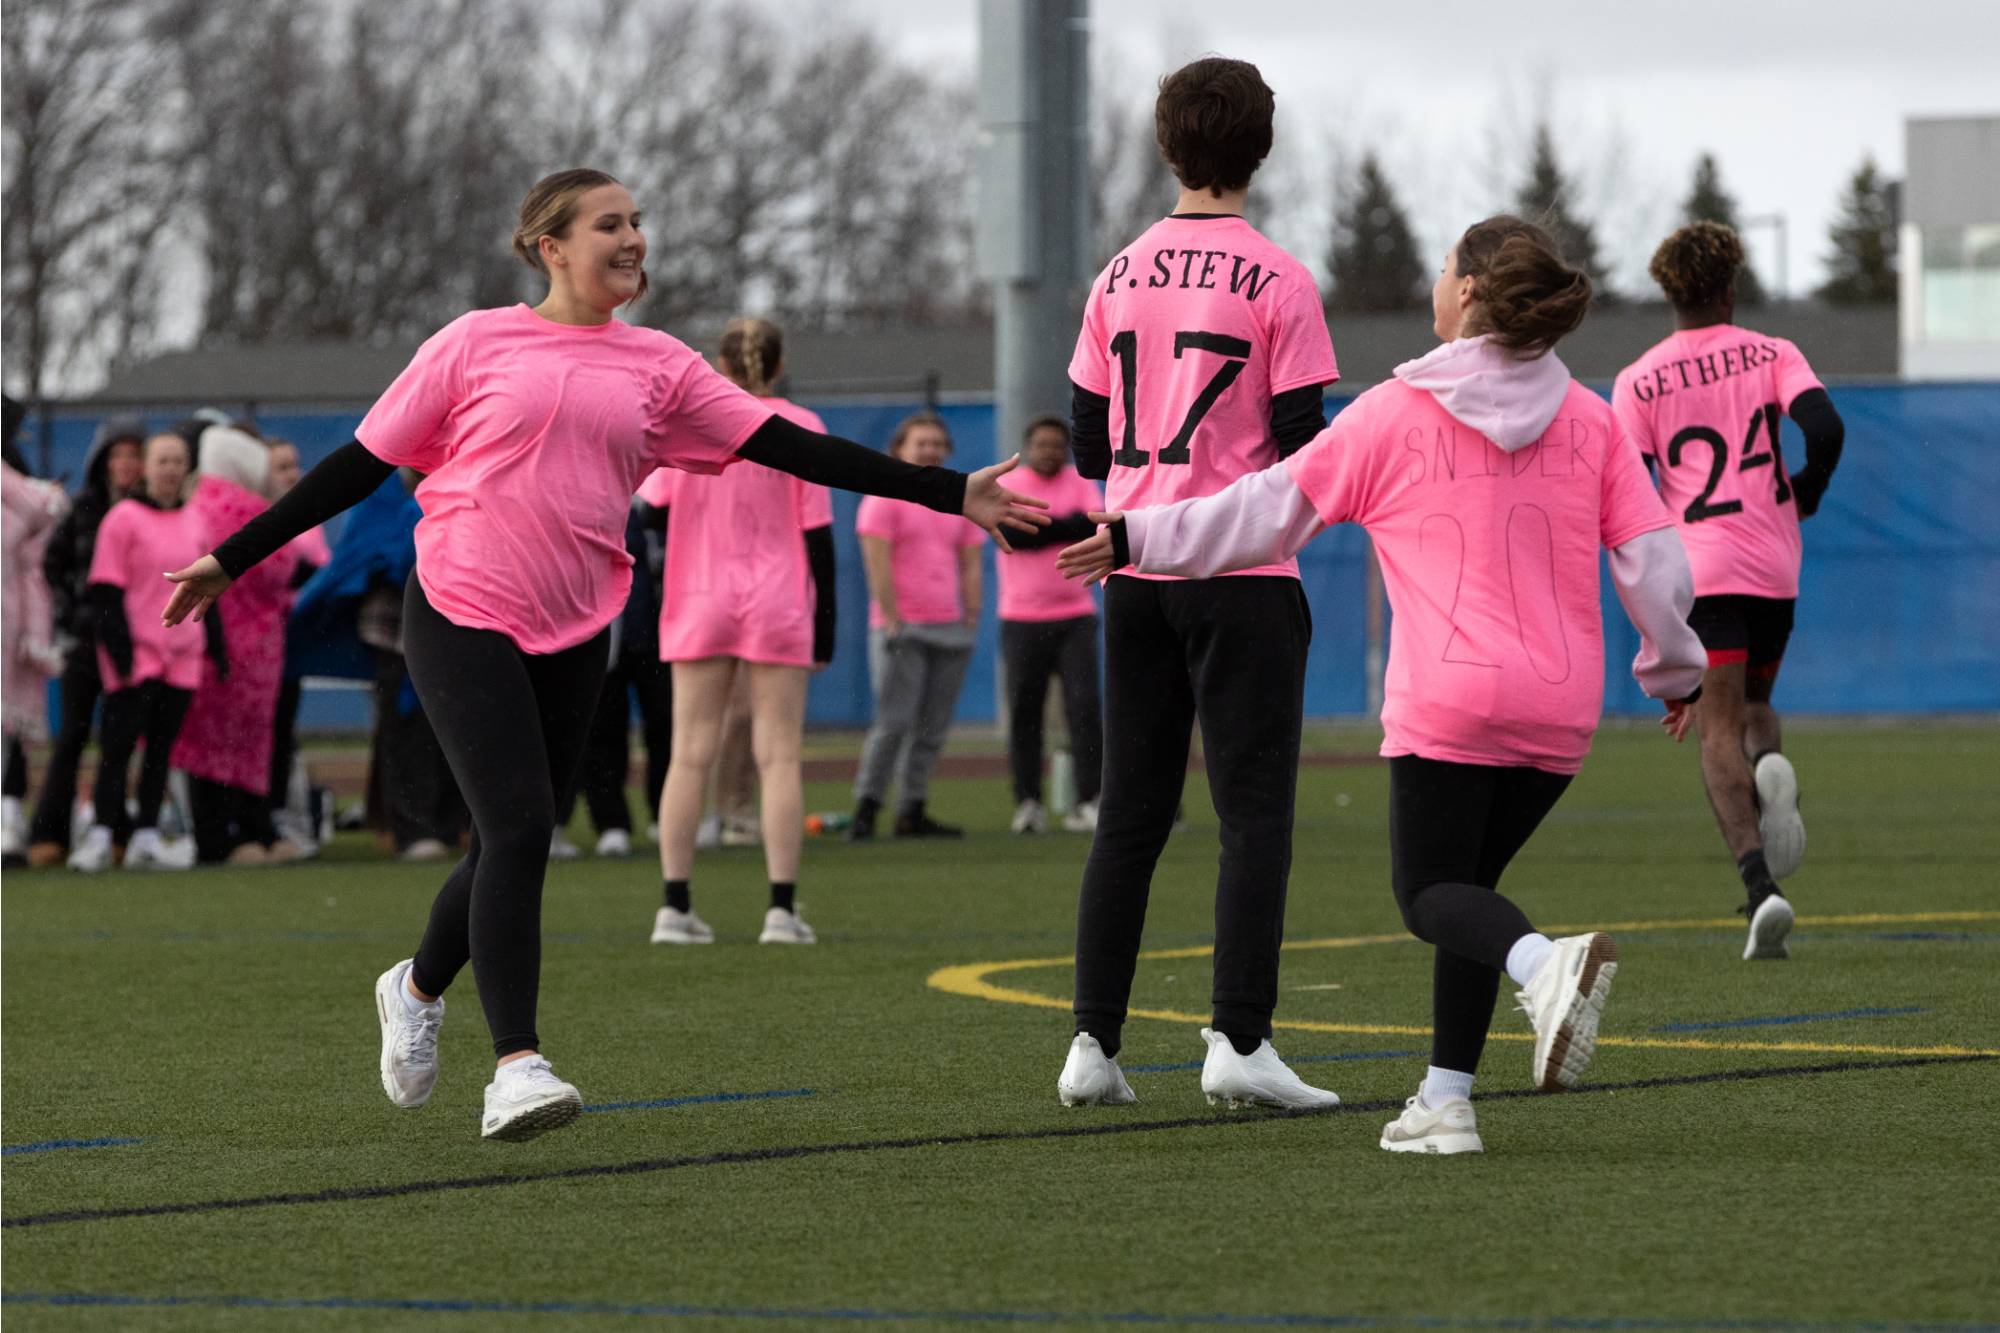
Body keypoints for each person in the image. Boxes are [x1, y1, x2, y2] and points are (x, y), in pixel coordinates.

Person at [161, 168, 1046, 1142]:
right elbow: (358, 464)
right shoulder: (472, 342)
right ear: (549, 244)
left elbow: (791, 449)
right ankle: (516, 1067)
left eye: (637, 223)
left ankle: (414, 986)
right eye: (609, 224)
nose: (633, 239)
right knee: (524, 822)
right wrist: (230, 558)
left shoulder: (660, 365)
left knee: (508, 836)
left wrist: (948, 489)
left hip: (581, 618)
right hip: (458, 601)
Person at [1058, 215, 1707, 1154]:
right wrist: (1674, 669)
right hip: (1562, 709)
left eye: (1446, 267)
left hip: (1449, 700)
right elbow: (1654, 565)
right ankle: (1446, 1102)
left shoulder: (1394, 413)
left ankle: (1544, 962)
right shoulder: (1593, 419)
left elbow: (1263, 512)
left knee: (1432, 892)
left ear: (1472, 293)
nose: (1436, 279)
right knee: (1472, 888)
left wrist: (1136, 535)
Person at [1056, 57, 1341, 1111]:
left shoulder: (1114, 273)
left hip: (1132, 563)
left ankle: (1091, 1043)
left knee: (1129, 810)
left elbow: (1090, 434)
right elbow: (1305, 443)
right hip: (1240, 567)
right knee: (1251, 813)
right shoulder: (1279, 277)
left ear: (1166, 146)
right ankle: (1238, 1038)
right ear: (1258, 149)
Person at [1612, 221, 1845, 963]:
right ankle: (1772, 773)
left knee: (1714, 727)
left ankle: (1759, 888)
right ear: (1731, 287)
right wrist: (1803, 489)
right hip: (1775, 569)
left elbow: (1624, 496)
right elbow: (1826, 427)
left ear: (1668, 291)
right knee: (1753, 708)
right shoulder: (1774, 352)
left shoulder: (1639, 379)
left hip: (1701, 572)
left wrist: (1659, 643)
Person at [647, 316, 836, 945]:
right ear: (779, 366)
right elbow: (819, 535)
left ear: (721, 367)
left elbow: (651, 510)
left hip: (699, 597)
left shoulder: (695, 423)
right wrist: (826, 624)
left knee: (688, 753)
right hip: (780, 599)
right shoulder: (804, 427)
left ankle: (674, 907)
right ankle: (781, 911)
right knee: (778, 754)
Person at [72, 429, 223, 872]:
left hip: (184, 655)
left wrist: (217, 647)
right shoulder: (123, 519)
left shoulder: (196, 519)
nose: (171, 470)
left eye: (178, 461)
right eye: (162, 461)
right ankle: (101, 834)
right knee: (117, 748)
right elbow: (105, 590)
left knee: (161, 749)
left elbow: (207, 588)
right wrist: (119, 654)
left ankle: (147, 834)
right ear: (146, 468)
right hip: (137, 653)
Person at [169, 427, 306, 865]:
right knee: (249, 743)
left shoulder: (195, 507)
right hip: (252, 645)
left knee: (208, 744)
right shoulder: (246, 508)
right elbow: (284, 564)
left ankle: (222, 835)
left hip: (207, 638)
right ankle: (251, 831)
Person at [847, 412, 985, 841]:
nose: (930, 450)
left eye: (936, 443)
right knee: (893, 723)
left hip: (949, 626)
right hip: (902, 628)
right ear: (899, 450)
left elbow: (970, 562)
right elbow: (876, 561)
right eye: (921, 443)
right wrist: (891, 618)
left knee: (933, 726)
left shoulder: (956, 498)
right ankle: (866, 809)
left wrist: (971, 614)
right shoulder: (883, 498)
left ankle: (912, 809)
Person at [24, 415, 145, 867]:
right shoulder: (85, 508)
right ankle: (48, 834)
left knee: (120, 742)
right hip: (84, 643)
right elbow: (52, 567)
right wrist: (74, 614)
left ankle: (114, 833)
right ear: (104, 461)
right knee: (71, 737)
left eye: (135, 455)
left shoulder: (151, 509)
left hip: (132, 645)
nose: (128, 464)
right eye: (119, 455)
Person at [992, 415, 1104, 835]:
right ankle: (1028, 802)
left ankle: (1089, 799)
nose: (1050, 452)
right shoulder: (1010, 484)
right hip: (1022, 617)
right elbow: (1013, 534)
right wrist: (1064, 526)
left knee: (1085, 710)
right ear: (1028, 448)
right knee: (1025, 712)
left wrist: (1047, 526)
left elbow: (1092, 525)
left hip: (1075, 614)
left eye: (1057, 445)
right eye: (1042, 445)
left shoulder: (1079, 481)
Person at [2, 396, 70, 867]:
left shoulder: (16, 486)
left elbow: (40, 513)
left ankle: (8, 822)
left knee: (6, 727)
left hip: (9, 618)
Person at [265, 437, 332, 855]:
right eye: (280, 467)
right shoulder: (263, 518)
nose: (291, 474)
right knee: (270, 734)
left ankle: (290, 820)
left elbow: (321, 571)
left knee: (284, 733)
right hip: (263, 644)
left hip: (294, 642)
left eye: (294, 464)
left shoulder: (310, 517)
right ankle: (269, 816)